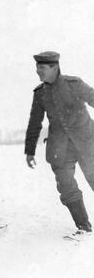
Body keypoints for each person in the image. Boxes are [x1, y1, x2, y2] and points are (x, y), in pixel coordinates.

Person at [25, 51, 94, 235]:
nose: (38, 72)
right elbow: (35, 122)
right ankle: (83, 227)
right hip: (60, 148)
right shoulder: (40, 93)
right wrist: (29, 150)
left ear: (54, 67)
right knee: (65, 186)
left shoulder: (75, 84)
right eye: (37, 67)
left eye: (41, 68)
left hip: (87, 143)